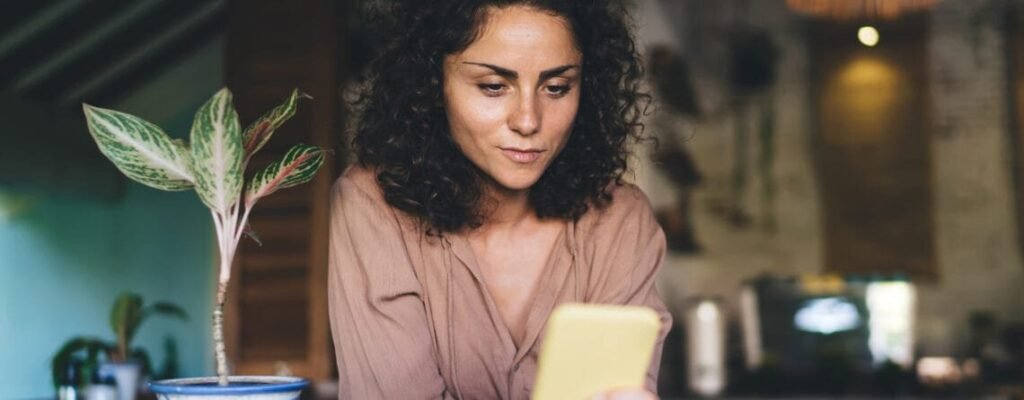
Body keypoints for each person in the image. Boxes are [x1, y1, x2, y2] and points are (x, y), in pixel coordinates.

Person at [328, 1, 671, 398]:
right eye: (493, 86)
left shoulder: (618, 220)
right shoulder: (372, 206)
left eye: (556, 88)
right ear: (431, 84)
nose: (528, 121)